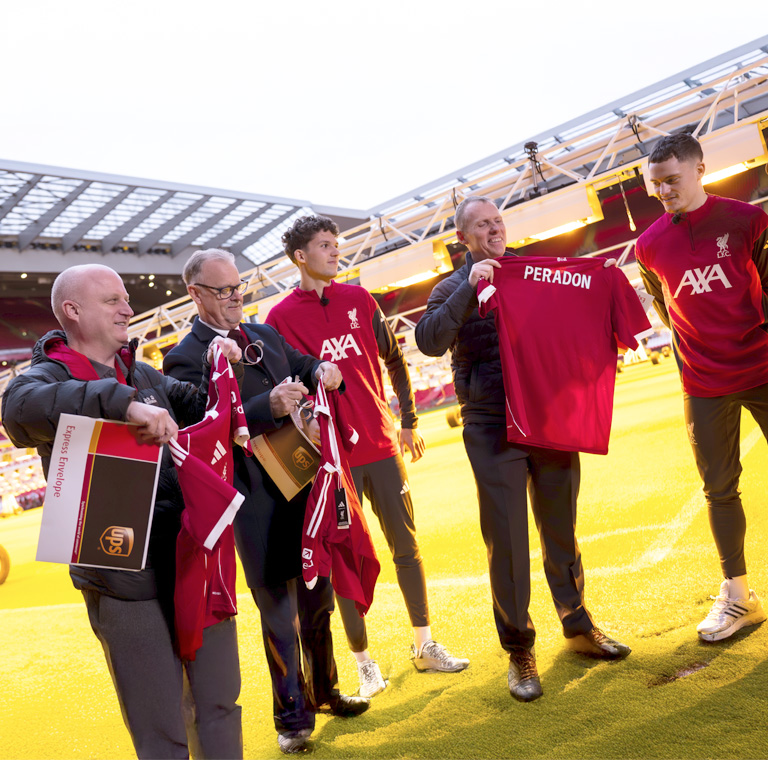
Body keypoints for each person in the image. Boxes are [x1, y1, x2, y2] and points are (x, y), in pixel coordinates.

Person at [1, 264, 243, 759]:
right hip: (118, 577)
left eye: (126, 299)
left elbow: (209, 412)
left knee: (220, 702)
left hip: (191, 555)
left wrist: (239, 378)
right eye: (113, 300)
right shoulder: (45, 377)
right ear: (73, 311)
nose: (128, 309)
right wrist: (122, 404)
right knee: (162, 727)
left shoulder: (144, 371)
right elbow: (17, 412)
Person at [415, 196, 632, 703]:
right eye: (481, 225)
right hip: (490, 424)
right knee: (507, 542)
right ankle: (519, 650)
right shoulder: (449, 287)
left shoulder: (534, 273)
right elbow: (428, 341)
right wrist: (467, 291)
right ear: (463, 238)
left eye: (497, 220)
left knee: (562, 528)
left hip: (545, 414)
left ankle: (578, 627)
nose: (493, 229)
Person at [163, 249, 369, 755]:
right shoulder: (184, 358)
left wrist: (321, 368)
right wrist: (263, 407)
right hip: (254, 499)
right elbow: (200, 422)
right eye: (224, 290)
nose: (236, 297)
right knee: (279, 614)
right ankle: (292, 718)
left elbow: (300, 361)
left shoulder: (264, 334)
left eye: (239, 287)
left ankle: (326, 691)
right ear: (196, 294)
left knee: (318, 595)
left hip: (301, 481)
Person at [266, 215, 470, 698]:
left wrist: (408, 421)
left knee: (407, 546)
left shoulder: (360, 300)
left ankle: (424, 645)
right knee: (343, 560)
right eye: (324, 246)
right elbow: (281, 392)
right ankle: (363, 663)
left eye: (337, 244)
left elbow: (396, 361)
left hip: (380, 446)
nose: (336, 252)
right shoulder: (278, 320)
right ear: (301, 256)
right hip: (329, 461)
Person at [636, 132, 768, 642]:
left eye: (672, 179)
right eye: (655, 184)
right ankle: (738, 597)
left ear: (699, 170)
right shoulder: (648, 247)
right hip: (704, 382)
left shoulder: (748, 220)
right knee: (719, 489)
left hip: (761, 366)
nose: (664, 191)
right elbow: (668, 312)